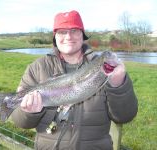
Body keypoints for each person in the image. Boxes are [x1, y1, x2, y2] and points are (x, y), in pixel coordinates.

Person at [11, 10, 138, 150]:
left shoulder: (105, 69)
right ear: (55, 36)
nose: (68, 36)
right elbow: (20, 121)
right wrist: (28, 111)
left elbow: (125, 117)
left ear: (82, 35)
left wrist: (118, 85)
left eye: (74, 30)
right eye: (62, 31)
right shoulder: (37, 68)